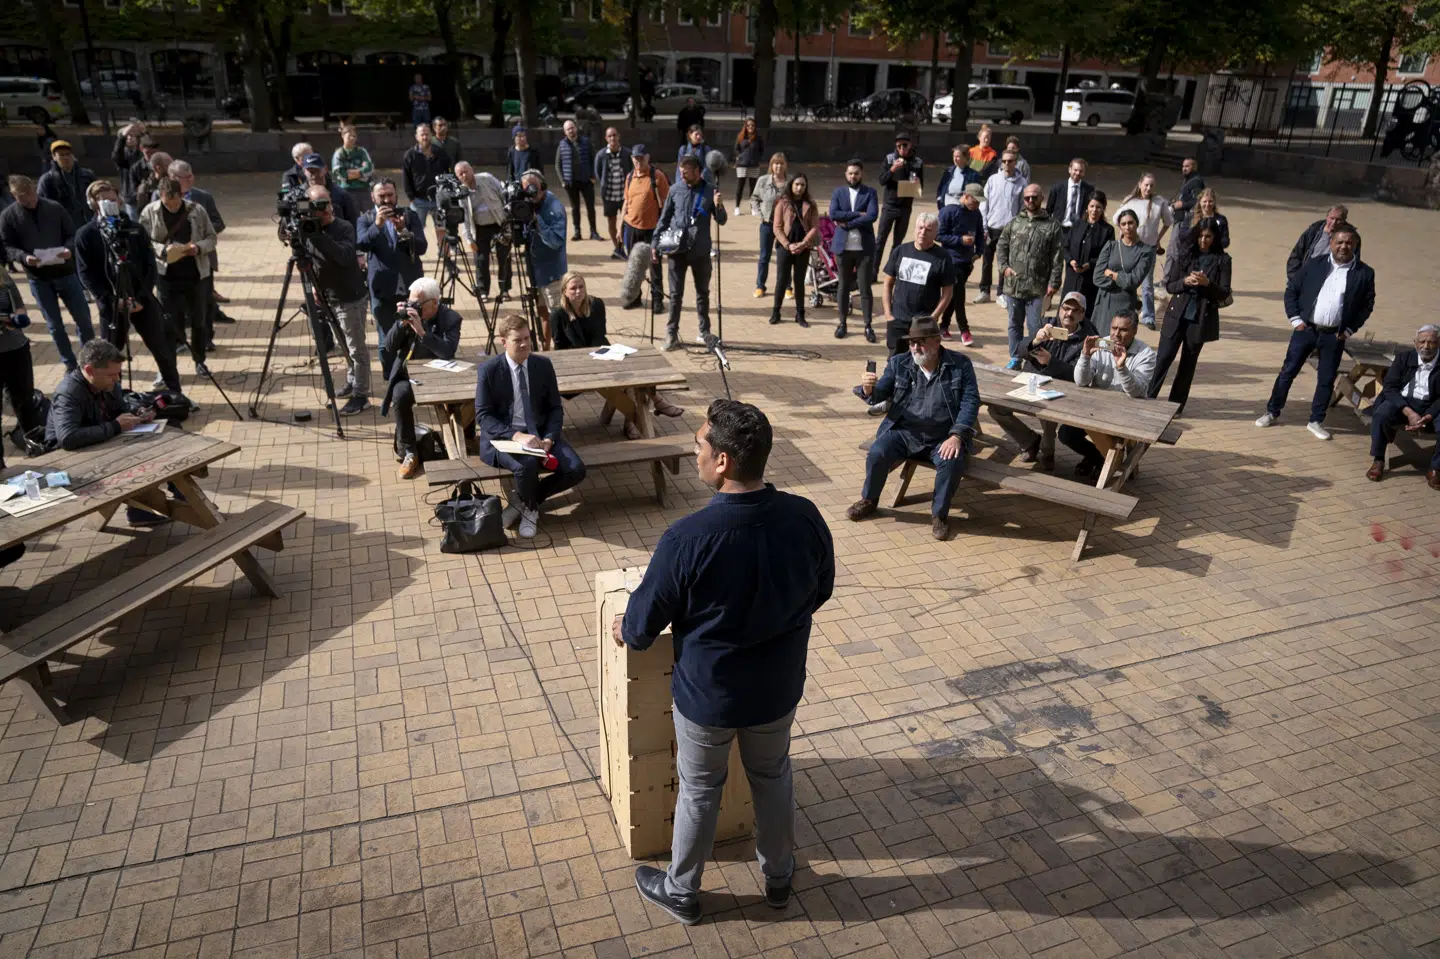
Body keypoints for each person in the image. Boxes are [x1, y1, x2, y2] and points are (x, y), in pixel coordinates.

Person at [619, 399, 834, 927]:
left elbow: (640, 626)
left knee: (699, 788)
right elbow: (821, 589)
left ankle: (683, 890)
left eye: (699, 446)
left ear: (723, 462)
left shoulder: (687, 538)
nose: (694, 453)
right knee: (772, 775)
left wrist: (626, 629)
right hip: (777, 688)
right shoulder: (804, 517)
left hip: (708, 697)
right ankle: (780, 878)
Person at [848, 316, 980, 541]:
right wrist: (868, 390)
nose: (915, 347)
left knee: (952, 462)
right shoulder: (900, 363)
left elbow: (971, 401)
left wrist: (957, 435)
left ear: (937, 341)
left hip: (942, 436)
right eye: (911, 342)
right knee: (877, 452)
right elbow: (880, 394)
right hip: (904, 432)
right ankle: (869, 500)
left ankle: (939, 515)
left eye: (921, 341)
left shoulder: (960, 365)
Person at [1256, 222, 1375, 441]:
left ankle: (1316, 421)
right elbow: (1292, 290)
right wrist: (1296, 320)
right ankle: (1272, 411)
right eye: (1339, 242)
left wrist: (1348, 330)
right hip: (1306, 330)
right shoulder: (1314, 265)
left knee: (1326, 379)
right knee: (1288, 372)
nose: (1343, 246)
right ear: (1331, 243)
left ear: (1355, 245)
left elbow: (1367, 305)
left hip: (1334, 335)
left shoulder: (1364, 273)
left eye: (1349, 242)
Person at [475, 313, 587, 537]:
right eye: (518, 340)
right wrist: (516, 435)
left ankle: (525, 500)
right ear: (504, 342)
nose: (525, 344)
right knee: (526, 465)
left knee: (576, 469)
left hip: (540, 434)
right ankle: (531, 511)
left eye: (528, 338)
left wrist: (550, 438)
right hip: (503, 439)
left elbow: (555, 407)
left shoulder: (542, 365)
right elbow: (483, 415)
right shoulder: (489, 370)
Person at [74, 180, 183, 395]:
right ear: (93, 204)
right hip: (112, 305)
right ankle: (113, 397)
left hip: (142, 301)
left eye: (113, 199)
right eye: (103, 200)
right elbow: (86, 274)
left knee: (162, 348)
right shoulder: (86, 235)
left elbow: (150, 265)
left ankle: (175, 391)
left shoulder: (134, 229)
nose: (110, 204)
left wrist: (141, 298)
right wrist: (111, 300)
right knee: (110, 355)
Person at [549, 272, 684, 438]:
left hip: (601, 356)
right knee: (627, 382)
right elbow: (559, 346)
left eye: (581, 287)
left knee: (632, 371)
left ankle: (633, 420)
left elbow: (600, 335)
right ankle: (653, 405)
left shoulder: (596, 304)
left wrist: (596, 357)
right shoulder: (558, 314)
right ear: (564, 291)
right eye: (573, 288)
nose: (578, 291)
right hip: (575, 366)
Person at [990, 291, 1096, 471]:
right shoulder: (1045, 323)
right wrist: (1036, 340)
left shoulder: (1087, 338)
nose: (1068, 314)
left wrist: (1050, 362)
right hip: (1030, 382)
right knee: (996, 408)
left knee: (1047, 415)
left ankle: (1047, 454)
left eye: (1074, 310)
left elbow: (1078, 375)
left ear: (1081, 314)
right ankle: (1029, 441)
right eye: (1065, 308)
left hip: (1060, 390)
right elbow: (1019, 350)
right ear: (1060, 309)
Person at [1, 175, 95, 372]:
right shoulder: (8, 216)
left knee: (84, 320)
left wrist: (69, 249)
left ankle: (91, 359)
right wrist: (24, 257)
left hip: (65, 273)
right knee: (55, 326)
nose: (29, 199)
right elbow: (7, 246)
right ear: (13, 195)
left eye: (31, 193)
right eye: (22, 196)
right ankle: (70, 365)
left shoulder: (54, 208)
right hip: (38, 279)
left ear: (35, 188)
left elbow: (71, 234)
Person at [1060, 309, 1157, 477]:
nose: (1116, 334)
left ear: (1134, 331)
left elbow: (1137, 392)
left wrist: (1121, 367)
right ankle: (1101, 459)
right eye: (1113, 328)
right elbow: (1081, 381)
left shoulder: (1146, 355)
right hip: (1098, 410)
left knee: (1099, 431)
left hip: (1128, 413)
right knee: (1066, 434)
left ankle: (1111, 465)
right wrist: (1085, 356)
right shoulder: (1101, 344)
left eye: (1123, 330)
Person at [303, 185, 371, 416]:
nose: (322, 210)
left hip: (350, 297)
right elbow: (307, 260)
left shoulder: (344, 227)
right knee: (344, 346)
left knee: (356, 349)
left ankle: (361, 397)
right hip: (327, 298)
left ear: (331, 204)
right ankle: (353, 380)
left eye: (325, 204)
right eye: (316, 206)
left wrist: (318, 236)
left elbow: (343, 257)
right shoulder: (308, 230)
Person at [139, 176, 216, 378]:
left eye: (176, 202)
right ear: (160, 197)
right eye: (167, 202)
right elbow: (143, 240)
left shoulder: (196, 210)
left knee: (198, 321)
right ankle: (170, 366)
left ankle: (200, 361)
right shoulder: (150, 211)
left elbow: (212, 237)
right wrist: (163, 249)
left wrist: (198, 248)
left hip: (195, 274)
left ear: (181, 195)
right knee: (170, 323)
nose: (172, 206)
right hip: (167, 276)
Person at [385, 277, 461, 479]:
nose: (413, 308)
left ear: (435, 302)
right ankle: (409, 452)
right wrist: (401, 324)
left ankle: (464, 441)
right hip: (410, 376)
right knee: (399, 395)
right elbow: (388, 348)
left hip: (440, 377)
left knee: (465, 399)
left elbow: (447, 352)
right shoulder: (406, 317)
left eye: (417, 305)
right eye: (410, 303)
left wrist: (422, 332)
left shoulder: (451, 318)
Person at [1151, 221, 1231, 412]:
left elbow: (1225, 293)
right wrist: (1185, 281)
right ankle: (1149, 396)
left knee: (1187, 365)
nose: (1204, 240)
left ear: (1215, 238)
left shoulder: (1223, 260)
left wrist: (1207, 284)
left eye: (1208, 237)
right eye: (1201, 236)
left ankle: (1175, 406)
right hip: (1176, 315)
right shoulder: (1185, 255)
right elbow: (1170, 285)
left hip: (1199, 320)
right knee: (1163, 358)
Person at [357, 178, 428, 379]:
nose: (387, 200)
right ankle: (391, 380)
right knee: (385, 339)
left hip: (411, 288)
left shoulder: (410, 215)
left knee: (414, 334)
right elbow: (361, 244)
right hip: (382, 289)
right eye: (382, 196)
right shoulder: (366, 219)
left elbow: (422, 247)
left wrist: (403, 231)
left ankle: (414, 377)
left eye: (390, 195)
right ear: (373, 197)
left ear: (397, 195)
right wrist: (378, 226)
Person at [656, 155, 726, 351]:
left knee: (702, 292)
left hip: (701, 251)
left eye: (686, 172)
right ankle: (671, 333)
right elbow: (665, 217)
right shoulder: (675, 189)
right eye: (680, 172)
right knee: (675, 294)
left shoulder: (711, 190)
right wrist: (655, 243)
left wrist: (718, 205)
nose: (682, 175)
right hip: (676, 250)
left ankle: (704, 332)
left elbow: (722, 220)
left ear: (698, 171)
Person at [44, 339, 155, 454]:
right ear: (89, 370)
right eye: (111, 375)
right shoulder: (68, 393)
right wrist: (115, 426)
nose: (117, 379)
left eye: (118, 373)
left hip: (101, 446)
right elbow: (68, 438)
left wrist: (138, 412)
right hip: (65, 457)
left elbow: (121, 409)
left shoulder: (109, 384)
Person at [995, 183, 1063, 369]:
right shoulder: (1015, 223)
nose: (1031, 200)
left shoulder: (1052, 226)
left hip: (1037, 288)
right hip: (1013, 286)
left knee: (1035, 328)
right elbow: (1001, 245)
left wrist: (1054, 282)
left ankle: (1033, 359)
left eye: (1035, 197)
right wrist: (1004, 267)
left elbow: (1057, 256)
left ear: (1042, 198)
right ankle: (1016, 357)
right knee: (1014, 325)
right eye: (1027, 198)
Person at [1365, 325, 1440, 487]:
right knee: (1381, 414)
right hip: (1404, 402)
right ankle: (1378, 459)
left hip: (1433, 404)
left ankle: (1436, 468)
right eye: (1422, 341)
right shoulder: (1403, 358)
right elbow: (1390, 388)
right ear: (1415, 343)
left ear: (1439, 343)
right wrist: (1408, 412)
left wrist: (1430, 415)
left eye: (1431, 342)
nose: (1426, 346)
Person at [170, 159, 233, 342]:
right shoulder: (160, 198)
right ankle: (179, 340)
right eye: (185, 177)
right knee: (178, 304)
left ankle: (206, 339)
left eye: (191, 175)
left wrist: (200, 238)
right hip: (175, 260)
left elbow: (218, 223)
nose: (191, 179)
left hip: (202, 257)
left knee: (204, 301)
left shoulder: (203, 196)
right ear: (173, 178)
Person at [879, 212, 955, 364]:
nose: (922, 233)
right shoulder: (901, 251)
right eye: (920, 228)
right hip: (898, 320)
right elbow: (887, 283)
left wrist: (934, 317)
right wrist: (888, 315)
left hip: (923, 323)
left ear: (935, 233)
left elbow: (948, 292)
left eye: (928, 230)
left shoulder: (942, 257)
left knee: (922, 362)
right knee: (894, 362)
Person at [1112, 173, 1173, 329]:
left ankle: (1148, 316)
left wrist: (1158, 238)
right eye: (1146, 184)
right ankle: (1124, 310)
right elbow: (1116, 218)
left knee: (1147, 284)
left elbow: (1168, 222)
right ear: (1140, 184)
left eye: (1151, 185)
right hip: (1130, 247)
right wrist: (1123, 235)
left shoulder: (1159, 203)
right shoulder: (1131, 201)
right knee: (1125, 279)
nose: (1148, 188)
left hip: (1149, 248)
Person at [828, 160, 878, 342]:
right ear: (845, 174)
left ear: (861, 174)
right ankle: (842, 323)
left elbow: (872, 216)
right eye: (850, 173)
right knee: (843, 287)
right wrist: (858, 214)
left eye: (856, 173)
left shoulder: (870, 192)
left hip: (864, 249)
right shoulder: (838, 192)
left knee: (865, 287)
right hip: (843, 248)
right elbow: (833, 214)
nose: (853, 176)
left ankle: (868, 325)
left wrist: (848, 223)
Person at [1090, 209, 1155, 345]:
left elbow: (1134, 281)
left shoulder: (1146, 251)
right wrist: (1122, 279)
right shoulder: (1111, 246)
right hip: (1103, 302)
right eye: (1123, 224)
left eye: (1130, 223)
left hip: (1124, 303)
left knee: (1118, 344)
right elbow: (1097, 277)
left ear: (1137, 224)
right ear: (1119, 226)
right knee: (1098, 344)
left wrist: (1112, 274)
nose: (1127, 227)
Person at [620, 145, 670, 309]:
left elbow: (667, 204)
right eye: (636, 158)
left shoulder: (657, 176)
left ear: (648, 158)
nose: (638, 161)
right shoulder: (629, 177)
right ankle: (634, 297)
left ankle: (657, 300)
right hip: (631, 227)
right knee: (634, 265)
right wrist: (620, 226)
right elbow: (626, 202)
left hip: (652, 229)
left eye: (641, 158)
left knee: (655, 265)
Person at [520, 169, 570, 332]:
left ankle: (560, 348)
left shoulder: (554, 207)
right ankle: (545, 347)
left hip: (552, 274)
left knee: (557, 316)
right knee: (542, 313)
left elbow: (557, 241)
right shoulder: (527, 204)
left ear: (543, 186)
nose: (530, 193)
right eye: (526, 188)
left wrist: (537, 221)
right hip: (535, 272)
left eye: (533, 187)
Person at [935, 182, 985, 346]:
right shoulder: (949, 211)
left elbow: (979, 234)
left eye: (978, 202)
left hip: (967, 261)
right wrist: (959, 240)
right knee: (959, 295)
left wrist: (979, 252)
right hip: (951, 260)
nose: (976, 205)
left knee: (953, 295)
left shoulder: (976, 214)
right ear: (966, 196)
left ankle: (943, 325)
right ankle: (964, 330)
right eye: (975, 201)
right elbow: (938, 235)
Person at [0, 272, 44, 453]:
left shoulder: (2, 274)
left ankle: (35, 446)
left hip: (16, 347)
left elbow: (18, 305)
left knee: (24, 400)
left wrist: (18, 317)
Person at [974, 151, 1025, 306]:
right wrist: (983, 226)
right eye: (1004, 161)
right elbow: (984, 204)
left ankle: (1002, 292)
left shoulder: (1022, 183)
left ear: (1015, 162)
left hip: (1009, 229)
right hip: (991, 226)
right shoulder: (992, 180)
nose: (1007, 164)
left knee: (1005, 262)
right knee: (987, 261)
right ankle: (984, 290)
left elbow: (1022, 208)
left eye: (1010, 161)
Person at [768, 174, 818, 328]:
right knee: (782, 280)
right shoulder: (782, 202)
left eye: (802, 185)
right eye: (797, 184)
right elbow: (777, 227)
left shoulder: (810, 204)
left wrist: (803, 243)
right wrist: (788, 245)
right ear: (791, 185)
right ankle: (776, 312)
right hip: (785, 246)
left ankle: (800, 314)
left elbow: (815, 227)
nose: (799, 188)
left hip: (803, 247)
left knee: (799, 281)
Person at [453, 161, 509, 297]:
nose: (464, 175)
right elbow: (465, 218)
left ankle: (505, 289)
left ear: (472, 169)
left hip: (498, 223)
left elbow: (504, 194)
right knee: (481, 260)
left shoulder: (486, 178)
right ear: (457, 177)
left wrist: (508, 221)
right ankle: (483, 290)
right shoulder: (461, 193)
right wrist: (469, 239)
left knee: (504, 257)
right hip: (479, 228)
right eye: (460, 174)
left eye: (466, 171)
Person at [874, 133, 923, 279]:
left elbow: (921, 187)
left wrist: (917, 183)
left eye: (905, 145)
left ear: (910, 145)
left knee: (897, 243)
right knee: (880, 240)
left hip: (905, 207)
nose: (902, 148)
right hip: (889, 206)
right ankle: (873, 272)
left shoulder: (918, 162)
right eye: (899, 146)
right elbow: (882, 180)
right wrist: (893, 169)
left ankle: (890, 272)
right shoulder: (890, 159)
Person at [402, 123, 453, 248]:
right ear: (417, 137)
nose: (425, 137)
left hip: (439, 199)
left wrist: (446, 194)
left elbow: (449, 172)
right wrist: (411, 197)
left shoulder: (440, 152)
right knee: (415, 231)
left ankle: (446, 259)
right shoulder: (410, 155)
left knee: (442, 230)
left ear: (431, 135)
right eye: (422, 134)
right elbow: (406, 178)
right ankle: (415, 259)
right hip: (418, 200)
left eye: (427, 134)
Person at [1061, 194, 1112, 316]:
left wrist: (1089, 265)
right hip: (1072, 276)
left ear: (1103, 209)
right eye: (1092, 206)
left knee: (1085, 313)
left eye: (1098, 207)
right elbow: (1066, 246)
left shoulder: (1107, 230)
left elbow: (1106, 255)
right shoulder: (1078, 224)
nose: (1094, 210)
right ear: (1087, 207)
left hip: (1091, 279)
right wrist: (1070, 261)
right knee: (1066, 310)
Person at [749, 153, 788, 299]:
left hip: (784, 227)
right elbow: (754, 198)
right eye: (775, 163)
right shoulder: (763, 181)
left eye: (781, 163)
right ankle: (760, 286)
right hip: (767, 224)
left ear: (785, 166)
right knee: (764, 256)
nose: (778, 166)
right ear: (771, 165)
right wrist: (759, 214)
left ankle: (787, 286)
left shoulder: (789, 183)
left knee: (784, 257)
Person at [554, 119, 600, 243]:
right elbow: (557, 164)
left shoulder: (586, 142)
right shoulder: (562, 145)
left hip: (586, 180)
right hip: (570, 182)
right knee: (575, 208)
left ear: (576, 128)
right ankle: (577, 231)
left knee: (590, 207)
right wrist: (563, 180)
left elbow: (594, 159)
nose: (571, 131)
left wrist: (593, 176)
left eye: (572, 128)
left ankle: (593, 231)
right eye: (568, 129)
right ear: (565, 132)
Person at [1286, 205, 1356, 280]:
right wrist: (1295, 279)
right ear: (1327, 217)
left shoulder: (1350, 237)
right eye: (1332, 218)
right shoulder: (1314, 231)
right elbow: (1296, 255)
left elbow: (1353, 263)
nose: (1334, 222)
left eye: (1338, 220)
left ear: (1344, 221)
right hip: (1308, 275)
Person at [37, 140, 96, 229]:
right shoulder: (48, 179)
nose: (65, 157)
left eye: (68, 154)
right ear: (54, 157)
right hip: (65, 225)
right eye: (61, 155)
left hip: (89, 221)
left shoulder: (87, 175)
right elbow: (42, 204)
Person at [594, 127, 629, 260]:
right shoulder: (601, 154)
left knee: (626, 222)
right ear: (606, 138)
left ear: (619, 136)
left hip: (624, 195)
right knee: (611, 222)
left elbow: (631, 171)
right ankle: (618, 248)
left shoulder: (626, 153)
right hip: (609, 195)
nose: (612, 138)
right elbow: (597, 172)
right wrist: (604, 183)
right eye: (610, 136)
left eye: (614, 135)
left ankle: (625, 246)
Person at [300, 153, 357, 227]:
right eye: (310, 171)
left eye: (317, 170)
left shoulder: (341, 195)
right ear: (304, 171)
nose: (314, 174)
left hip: (335, 236)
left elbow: (353, 223)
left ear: (325, 169)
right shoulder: (298, 195)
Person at [1046, 158, 1095, 237]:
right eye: (1075, 170)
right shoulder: (1057, 188)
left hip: (1079, 229)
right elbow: (1049, 209)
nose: (1078, 173)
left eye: (1081, 171)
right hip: (1060, 228)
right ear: (1069, 170)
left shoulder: (1089, 189)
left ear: (1084, 173)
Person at [1173, 187, 1229, 254]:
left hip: (1214, 254)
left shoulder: (1221, 219)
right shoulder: (1191, 217)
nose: (1207, 204)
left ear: (1214, 202)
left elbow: (1226, 241)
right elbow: (1181, 236)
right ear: (1200, 202)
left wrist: (1210, 242)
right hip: (1193, 254)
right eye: (1205, 201)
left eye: (1210, 201)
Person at [111, 121, 148, 219]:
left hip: (147, 196)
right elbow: (116, 155)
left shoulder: (142, 153)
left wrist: (144, 132)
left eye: (132, 135)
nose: (130, 137)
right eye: (127, 136)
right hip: (131, 198)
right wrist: (121, 136)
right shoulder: (122, 156)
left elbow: (149, 147)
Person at [330, 122, 375, 199]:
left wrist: (350, 172)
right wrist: (361, 172)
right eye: (349, 136)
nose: (352, 138)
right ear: (342, 136)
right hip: (346, 189)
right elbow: (340, 173)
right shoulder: (338, 153)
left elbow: (369, 168)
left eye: (354, 136)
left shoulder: (362, 151)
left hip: (364, 189)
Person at [732, 118, 763, 215]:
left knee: (753, 188)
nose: (750, 127)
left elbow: (761, 150)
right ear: (745, 126)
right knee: (740, 186)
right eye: (748, 125)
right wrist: (739, 157)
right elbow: (736, 149)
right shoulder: (741, 136)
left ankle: (753, 208)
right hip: (742, 165)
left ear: (755, 127)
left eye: (752, 125)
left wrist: (757, 158)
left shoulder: (758, 138)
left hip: (754, 165)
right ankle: (737, 207)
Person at [935, 145, 978, 209]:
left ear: (965, 158)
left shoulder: (973, 175)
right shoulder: (948, 172)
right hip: (945, 208)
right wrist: (939, 199)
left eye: (958, 157)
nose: (955, 159)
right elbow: (941, 188)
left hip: (962, 210)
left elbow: (975, 195)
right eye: (954, 156)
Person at [675, 124, 714, 189]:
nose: (699, 137)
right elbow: (679, 168)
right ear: (690, 135)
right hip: (686, 182)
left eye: (700, 134)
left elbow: (708, 167)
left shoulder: (706, 149)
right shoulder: (683, 149)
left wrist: (699, 177)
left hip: (701, 182)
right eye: (696, 134)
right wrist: (679, 183)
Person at [134, 150, 172, 216]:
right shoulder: (145, 188)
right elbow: (142, 213)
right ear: (157, 168)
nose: (171, 168)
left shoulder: (173, 182)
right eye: (168, 165)